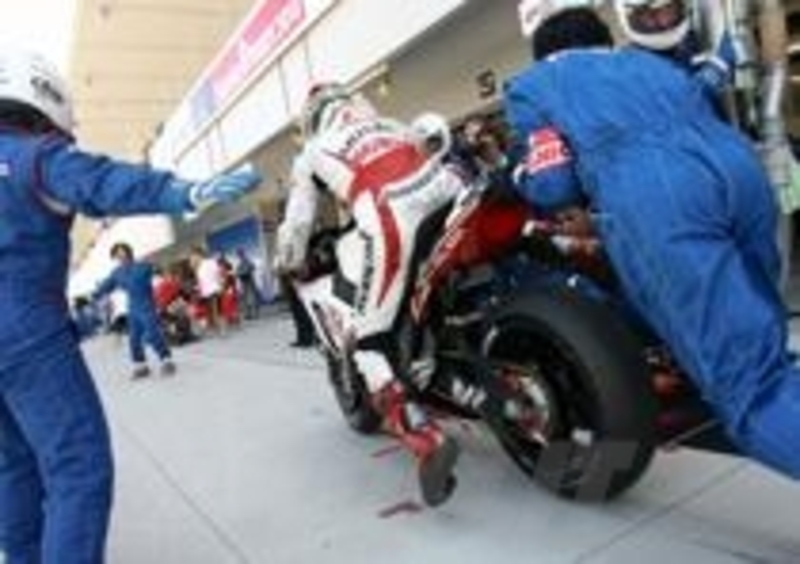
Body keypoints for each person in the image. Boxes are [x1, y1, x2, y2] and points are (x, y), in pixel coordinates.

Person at [503, 1, 800, 480]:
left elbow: (554, 187)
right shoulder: (645, 61)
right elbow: (702, 88)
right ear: (601, 29)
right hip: (739, 174)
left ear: (538, 45)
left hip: (660, 198)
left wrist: (519, 174)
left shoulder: (533, 87)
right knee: (765, 343)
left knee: (748, 387)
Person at [0, 48, 261, 563]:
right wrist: (182, 193)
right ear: (44, 101)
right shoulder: (34, 156)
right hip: (23, 326)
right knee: (77, 468)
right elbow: (103, 182)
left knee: (13, 467)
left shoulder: (130, 269)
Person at [275, 84, 464, 506]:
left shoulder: (313, 151)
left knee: (368, 342)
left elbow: (299, 221)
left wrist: (287, 261)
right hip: (451, 189)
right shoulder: (393, 125)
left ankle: (424, 437)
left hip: (392, 213)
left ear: (314, 119)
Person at [93, 242, 176, 379]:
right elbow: (106, 286)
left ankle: (166, 361)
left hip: (147, 304)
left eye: (121, 251)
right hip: (132, 307)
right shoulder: (117, 273)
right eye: (116, 253)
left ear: (128, 252)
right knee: (134, 338)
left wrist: (165, 276)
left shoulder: (143, 266)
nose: (119, 255)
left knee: (153, 333)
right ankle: (141, 366)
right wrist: (94, 294)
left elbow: (159, 271)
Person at [190, 247, 225, 335]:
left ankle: (222, 329)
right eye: (193, 257)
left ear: (199, 255)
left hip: (214, 289)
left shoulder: (210, 262)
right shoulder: (198, 268)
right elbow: (201, 282)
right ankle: (218, 329)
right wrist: (198, 289)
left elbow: (218, 274)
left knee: (217, 310)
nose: (193, 258)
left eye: (194, 256)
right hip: (206, 292)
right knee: (212, 311)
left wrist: (221, 285)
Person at [234, 248, 261, 319]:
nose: (239, 255)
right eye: (238, 254)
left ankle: (254, 313)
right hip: (244, 282)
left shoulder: (247, 260)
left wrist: (244, 271)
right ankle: (248, 314)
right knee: (245, 298)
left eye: (240, 254)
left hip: (249, 281)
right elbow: (237, 272)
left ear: (243, 253)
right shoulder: (239, 263)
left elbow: (253, 267)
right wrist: (239, 273)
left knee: (252, 297)